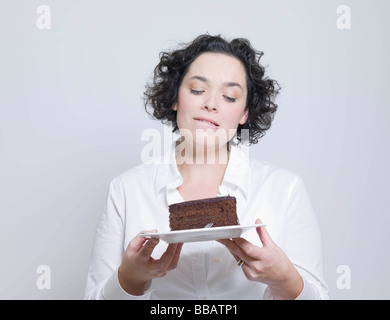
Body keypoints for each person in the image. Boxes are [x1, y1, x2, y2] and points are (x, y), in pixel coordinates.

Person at [84, 34, 329, 300]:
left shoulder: (285, 189)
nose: (211, 103)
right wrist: (129, 280)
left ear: (245, 113)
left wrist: (287, 281)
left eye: (229, 96)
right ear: (175, 97)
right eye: (198, 90)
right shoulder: (126, 190)